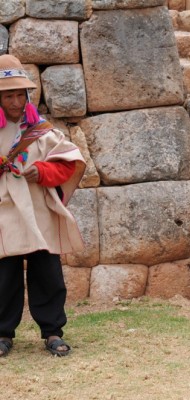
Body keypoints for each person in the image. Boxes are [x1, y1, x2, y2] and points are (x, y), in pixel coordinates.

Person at [0, 54, 86, 357]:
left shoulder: (43, 132)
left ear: (27, 95)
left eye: (19, 95)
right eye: (8, 95)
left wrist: (42, 172)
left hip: (38, 212)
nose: (15, 102)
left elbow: (69, 164)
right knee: (3, 275)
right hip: (4, 212)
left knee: (48, 273)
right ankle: (2, 334)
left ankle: (52, 332)